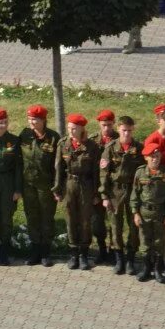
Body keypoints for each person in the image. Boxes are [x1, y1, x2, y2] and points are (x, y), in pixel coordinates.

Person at [55, 114, 100, 270]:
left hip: (86, 185)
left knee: (85, 220)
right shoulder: (63, 144)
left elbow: (95, 171)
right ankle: (73, 253)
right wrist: (57, 189)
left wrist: (96, 193)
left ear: (82, 129)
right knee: (70, 218)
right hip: (69, 184)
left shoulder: (92, 146)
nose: (71, 131)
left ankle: (84, 254)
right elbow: (59, 168)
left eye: (74, 128)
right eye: (69, 128)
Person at [99, 115, 143, 276]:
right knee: (115, 225)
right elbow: (104, 173)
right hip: (115, 191)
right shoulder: (110, 148)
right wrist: (104, 196)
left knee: (133, 225)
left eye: (129, 131)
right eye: (124, 130)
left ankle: (131, 258)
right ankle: (119, 259)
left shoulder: (138, 148)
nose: (126, 134)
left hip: (132, 191)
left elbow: (143, 172)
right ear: (118, 129)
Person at [131, 137, 165, 284]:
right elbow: (135, 194)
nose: (155, 159)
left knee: (158, 242)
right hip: (144, 213)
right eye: (151, 157)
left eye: (157, 156)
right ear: (146, 158)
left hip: (160, 214)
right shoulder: (140, 173)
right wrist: (135, 213)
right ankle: (146, 268)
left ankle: (157, 270)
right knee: (145, 242)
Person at [18, 104, 58, 266]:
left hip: (46, 186)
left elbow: (58, 166)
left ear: (43, 120)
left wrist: (57, 187)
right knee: (32, 216)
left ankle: (46, 252)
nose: (32, 122)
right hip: (28, 185)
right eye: (30, 119)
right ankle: (35, 250)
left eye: (35, 119)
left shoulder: (54, 138)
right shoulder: (25, 135)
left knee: (46, 218)